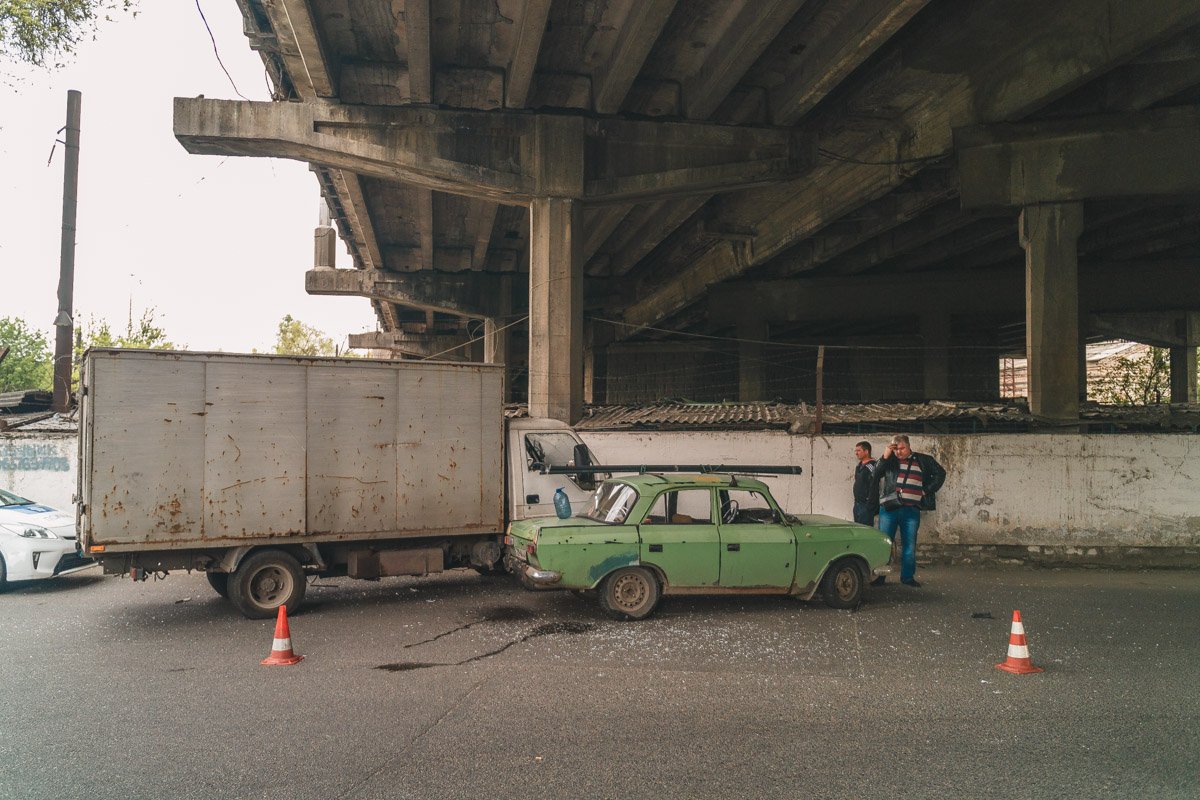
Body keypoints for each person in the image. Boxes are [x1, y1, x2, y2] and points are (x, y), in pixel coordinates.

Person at [874, 434, 946, 588]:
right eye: (896, 449)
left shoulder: (923, 460)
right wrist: (885, 456)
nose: (898, 452)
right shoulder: (889, 460)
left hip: (911, 510)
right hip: (889, 509)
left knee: (909, 545)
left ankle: (907, 577)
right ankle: (880, 577)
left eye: (902, 449)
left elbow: (941, 474)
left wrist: (926, 490)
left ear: (908, 446)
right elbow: (875, 474)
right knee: (884, 543)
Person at [851, 441, 878, 526]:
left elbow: (874, 485)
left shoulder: (872, 466)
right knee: (857, 528)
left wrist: (869, 503)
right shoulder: (859, 466)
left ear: (866, 451)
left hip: (866, 505)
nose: (856, 453)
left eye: (859, 450)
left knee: (866, 530)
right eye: (856, 451)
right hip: (857, 503)